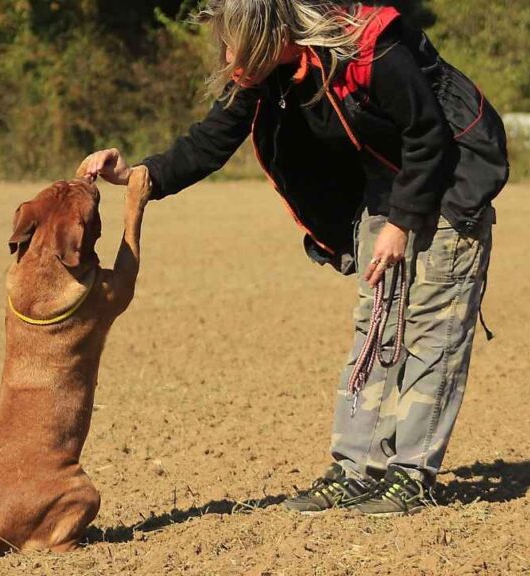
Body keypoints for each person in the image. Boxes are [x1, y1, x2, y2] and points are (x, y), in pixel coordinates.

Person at [79, 0, 508, 517]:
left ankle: (411, 474)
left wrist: (400, 223)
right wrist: (136, 175)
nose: (229, 53)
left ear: (266, 32)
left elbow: (427, 134)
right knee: (376, 323)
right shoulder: (264, 72)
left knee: (431, 327)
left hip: (450, 177)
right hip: (385, 182)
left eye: (234, 38)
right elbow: (211, 141)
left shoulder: (371, 46)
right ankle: (355, 470)